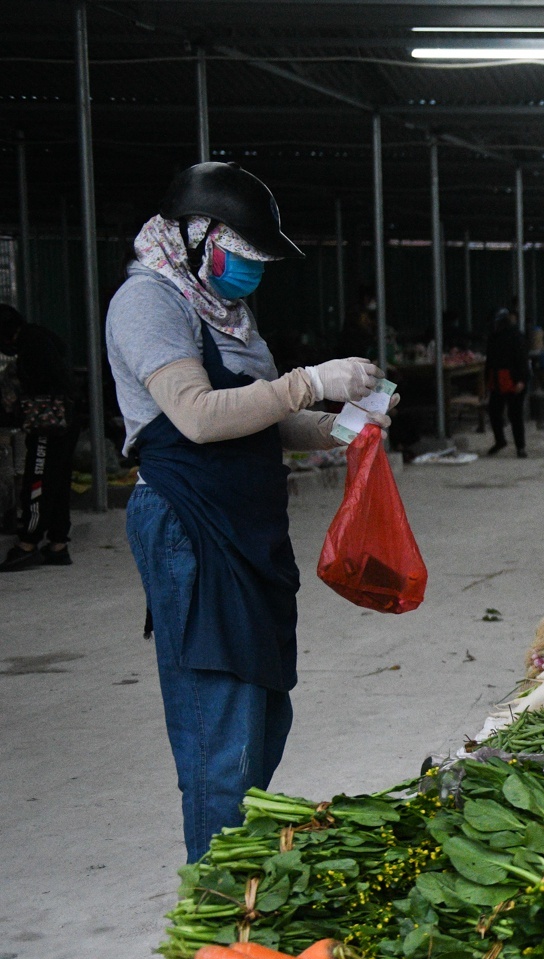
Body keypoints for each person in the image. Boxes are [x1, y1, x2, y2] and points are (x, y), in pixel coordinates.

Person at [106, 162, 394, 860]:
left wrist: (346, 423)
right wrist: (310, 381)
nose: (253, 272)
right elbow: (200, 419)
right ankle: (212, 915)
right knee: (222, 732)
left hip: (247, 526)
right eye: (246, 254)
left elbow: (259, 418)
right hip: (191, 526)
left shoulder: (223, 309)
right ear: (197, 236)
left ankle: (237, 881)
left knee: (265, 714)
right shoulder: (149, 302)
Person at [0, 305, 77, 571]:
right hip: (65, 421)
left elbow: (38, 384)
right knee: (58, 481)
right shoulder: (41, 336)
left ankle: (28, 543)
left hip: (48, 425)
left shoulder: (30, 345)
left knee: (38, 481)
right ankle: (57, 543)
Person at [484, 306, 529, 456]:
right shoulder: (493, 337)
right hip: (497, 379)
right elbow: (489, 361)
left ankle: (520, 447)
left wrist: (521, 380)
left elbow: (522, 359)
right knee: (494, 411)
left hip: (514, 379)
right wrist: (486, 382)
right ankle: (500, 441)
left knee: (515, 414)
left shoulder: (516, 335)